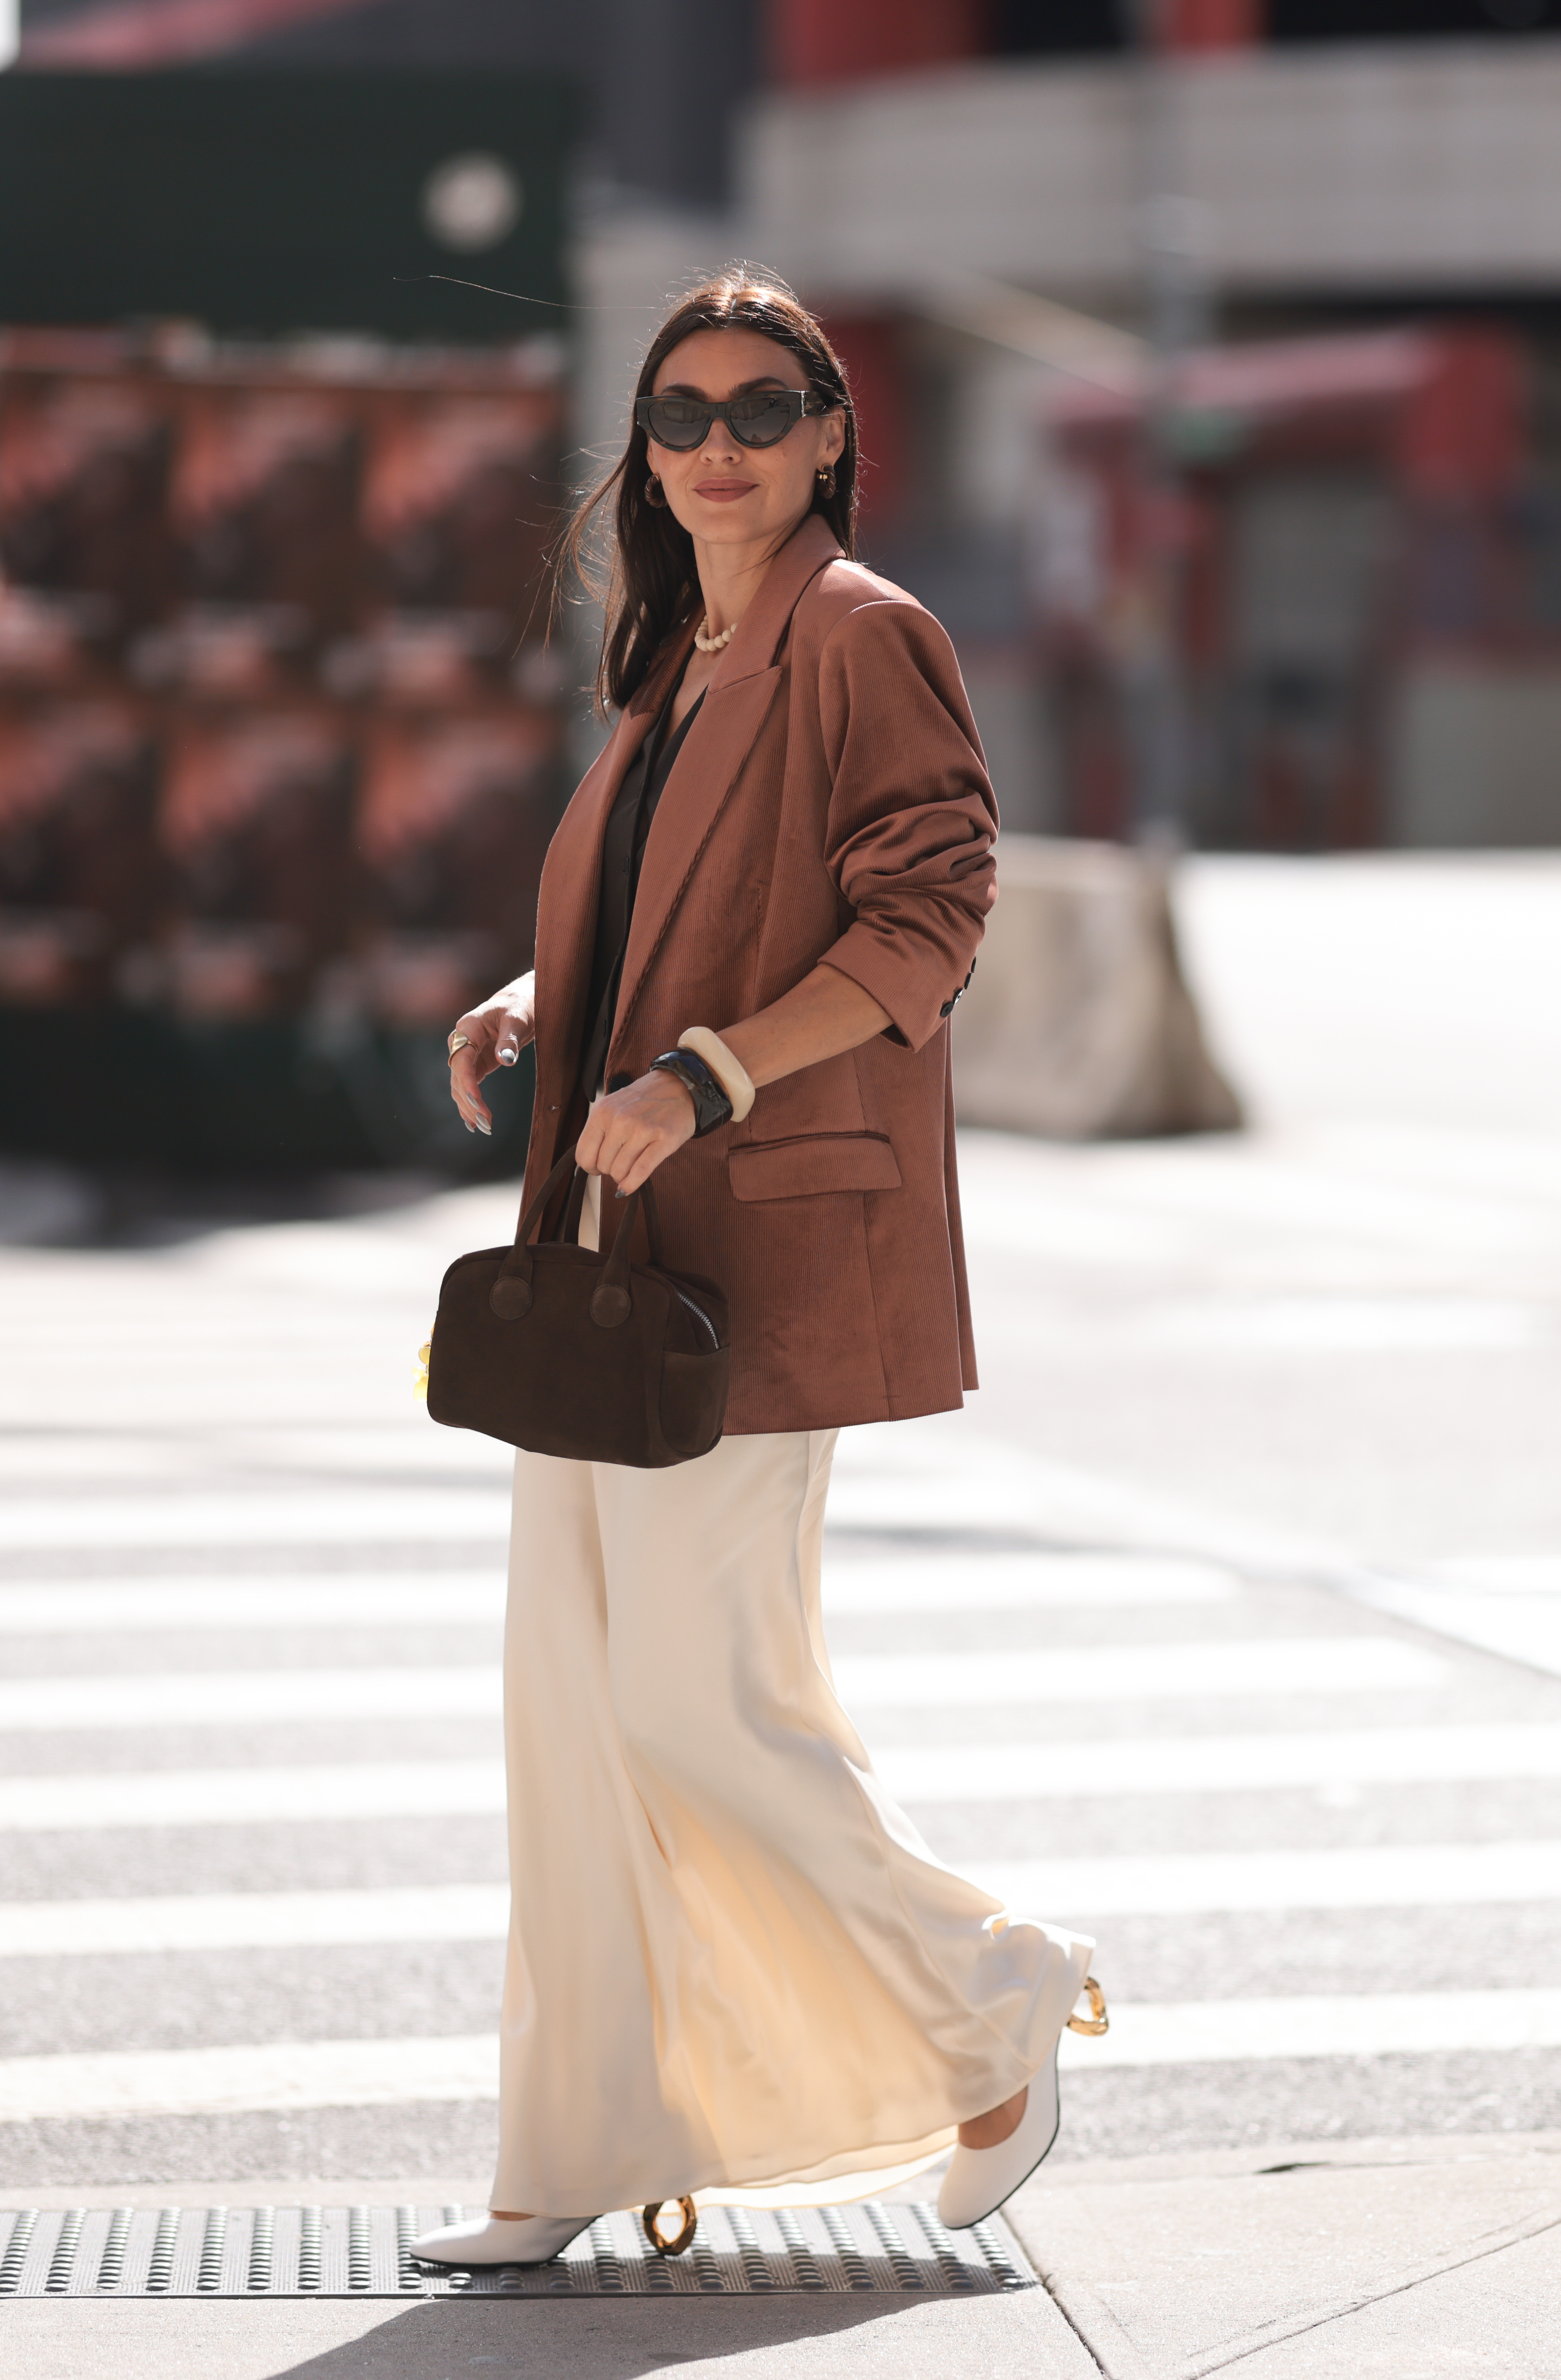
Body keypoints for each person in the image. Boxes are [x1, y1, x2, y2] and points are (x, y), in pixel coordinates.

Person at [413, 268, 1099, 2268]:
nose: (716, 446)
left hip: (753, 1255)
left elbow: (928, 915)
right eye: (679, 414)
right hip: (609, 1241)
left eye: (758, 410)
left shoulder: (862, 633)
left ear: (828, 439)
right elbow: (685, 908)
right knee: (572, 1707)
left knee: (693, 1705)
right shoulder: (682, 657)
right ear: (643, 450)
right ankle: (580, 2135)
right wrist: (547, 994)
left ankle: (989, 1995)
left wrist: (705, 1074)